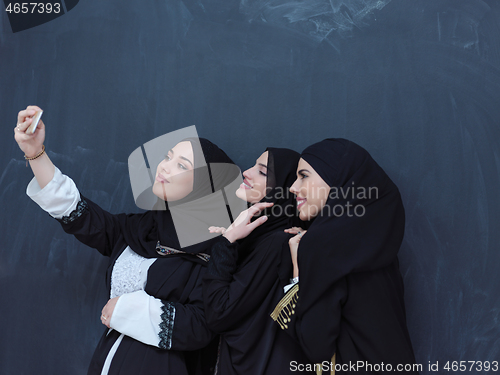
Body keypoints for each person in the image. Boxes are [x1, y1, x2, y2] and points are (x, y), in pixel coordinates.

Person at [14, 105, 241, 375]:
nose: (165, 167)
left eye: (181, 165)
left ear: (205, 186)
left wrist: (127, 308)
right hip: (106, 362)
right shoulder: (140, 229)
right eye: (168, 157)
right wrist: (35, 153)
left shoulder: (216, 251)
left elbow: (203, 325)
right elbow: (78, 213)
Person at [273, 138, 418, 374]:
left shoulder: (320, 247)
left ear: (335, 181)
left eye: (304, 176)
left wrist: (298, 271)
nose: (293, 187)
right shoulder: (375, 241)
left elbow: (315, 347)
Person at [202, 147, 316, 374]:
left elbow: (219, 313)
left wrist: (226, 243)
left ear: (283, 189)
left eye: (263, 172)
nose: (246, 172)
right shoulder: (263, 237)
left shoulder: (276, 244)